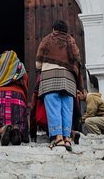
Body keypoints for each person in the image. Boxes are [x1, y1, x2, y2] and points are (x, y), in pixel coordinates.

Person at [35, 20, 82, 151]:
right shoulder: (71, 40)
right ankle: (67, 138)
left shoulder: (46, 39)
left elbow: (38, 64)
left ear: (53, 29)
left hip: (49, 77)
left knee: (53, 106)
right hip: (68, 78)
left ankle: (58, 137)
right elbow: (77, 58)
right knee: (67, 107)